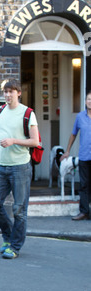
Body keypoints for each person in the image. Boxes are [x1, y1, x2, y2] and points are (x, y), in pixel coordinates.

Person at [0, 79, 39, 259]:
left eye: (12, 91)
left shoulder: (27, 113)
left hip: (20, 167)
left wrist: (14, 141)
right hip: (1, 166)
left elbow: (35, 141)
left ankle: (15, 246)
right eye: (5, 92)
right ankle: (9, 235)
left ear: (19, 93)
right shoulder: (0, 111)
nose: (8, 95)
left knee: (19, 209)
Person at [60, 90, 91, 220]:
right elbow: (73, 134)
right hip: (84, 156)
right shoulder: (80, 117)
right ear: (85, 101)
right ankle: (84, 212)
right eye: (88, 99)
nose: (90, 101)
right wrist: (67, 151)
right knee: (84, 185)